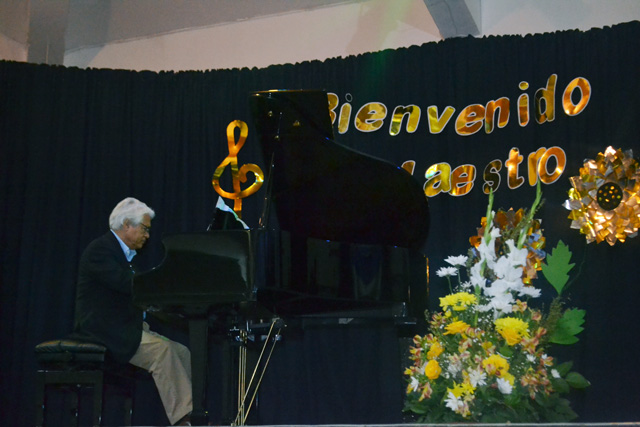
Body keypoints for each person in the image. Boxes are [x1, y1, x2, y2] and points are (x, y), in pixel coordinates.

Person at [72, 197, 192, 426]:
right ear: (127, 224)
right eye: (145, 229)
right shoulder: (100, 250)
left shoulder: (124, 257)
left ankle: (193, 414)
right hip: (104, 331)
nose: (147, 235)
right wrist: (160, 286)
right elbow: (127, 284)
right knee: (163, 352)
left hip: (125, 327)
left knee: (182, 351)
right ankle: (183, 421)